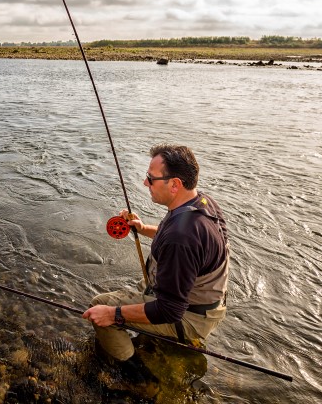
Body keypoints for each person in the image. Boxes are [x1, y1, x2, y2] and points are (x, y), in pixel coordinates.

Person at [82, 144, 229, 381]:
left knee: (100, 306)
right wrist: (141, 229)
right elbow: (172, 235)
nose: (145, 183)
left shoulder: (180, 239)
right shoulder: (201, 203)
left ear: (175, 184)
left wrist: (113, 314)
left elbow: (170, 310)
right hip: (209, 304)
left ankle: (135, 374)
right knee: (129, 298)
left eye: (151, 179)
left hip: (190, 316)